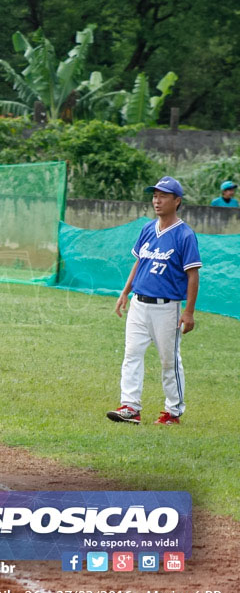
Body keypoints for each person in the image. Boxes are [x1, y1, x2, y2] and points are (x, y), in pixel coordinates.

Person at [107, 176, 201, 426]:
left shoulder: (184, 235)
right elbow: (139, 262)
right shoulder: (148, 228)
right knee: (132, 354)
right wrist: (125, 292)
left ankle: (173, 411)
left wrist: (188, 312)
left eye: (163, 196)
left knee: (169, 361)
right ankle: (130, 407)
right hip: (139, 303)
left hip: (167, 307)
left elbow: (193, 275)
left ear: (177, 201)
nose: (157, 200)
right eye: (154, 195)